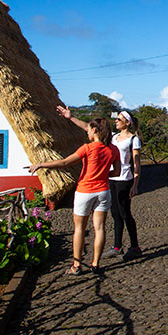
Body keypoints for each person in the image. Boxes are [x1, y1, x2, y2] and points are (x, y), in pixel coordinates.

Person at [27, 117, 119, 275]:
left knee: (79, 229)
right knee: (100, 228)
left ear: (95, 130)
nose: (87, 132)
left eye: (89, 129)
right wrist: (102, 174)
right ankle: (95, 264)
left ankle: (76, 265)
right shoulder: (113, 149)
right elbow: (116, 172)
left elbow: (65, 163)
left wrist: (40, 165)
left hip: (85, 191)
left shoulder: (88, 148)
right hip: (103, 190)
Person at [57, 105, 142, 260]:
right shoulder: (114, 137)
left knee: (125, 213)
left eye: (119, 119)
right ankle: (117, 246)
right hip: (111, 179)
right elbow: (89, 128)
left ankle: (135, 246)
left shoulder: (133, 140)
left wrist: (135, 185)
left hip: (125, 180)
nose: (116, 121)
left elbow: (136, 164)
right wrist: (71, 117)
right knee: (115, 214)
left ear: (127, 123)